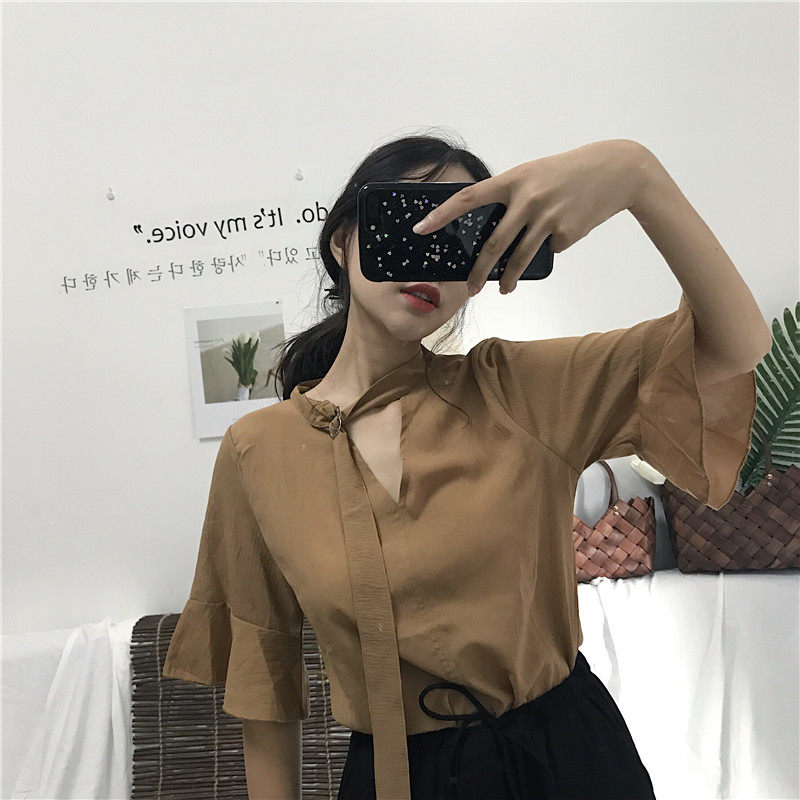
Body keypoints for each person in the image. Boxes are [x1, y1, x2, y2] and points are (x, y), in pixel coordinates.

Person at [161, 132, 767, 800]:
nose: (431, 259)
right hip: (397, 780)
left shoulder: (519, 391)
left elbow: (736, 344)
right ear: (342, 242)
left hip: (565, 764)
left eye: (461, 240)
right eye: (410, 223)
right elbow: (264, 684)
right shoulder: (258, 451)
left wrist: (636, 176)